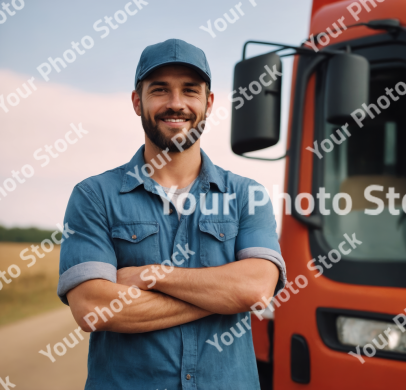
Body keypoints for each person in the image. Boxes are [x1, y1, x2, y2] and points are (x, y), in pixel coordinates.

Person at [57, 38, 286, 390]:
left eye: (189, 91)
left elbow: (255, 289)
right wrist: (223, 299)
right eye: (160, 90)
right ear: (138, 101)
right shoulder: (94, 196)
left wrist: (151, 276)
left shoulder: (246, 195)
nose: (176, 104)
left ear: (209, 103)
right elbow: (92, 307)